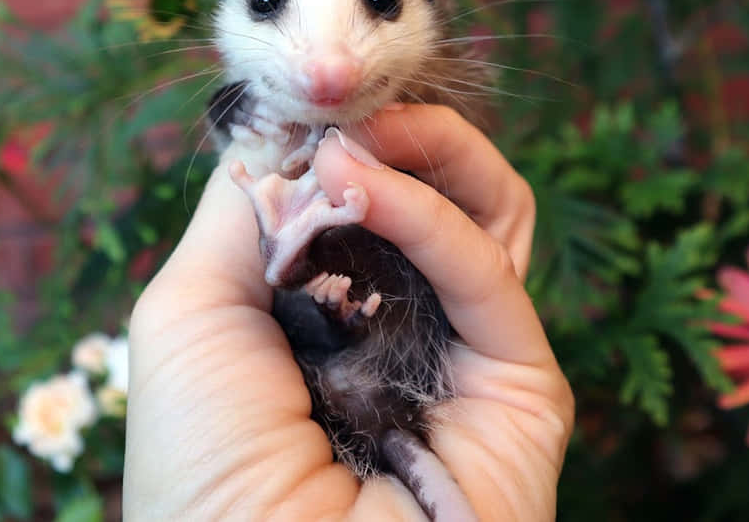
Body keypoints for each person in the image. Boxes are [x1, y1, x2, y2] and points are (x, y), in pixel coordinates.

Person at [124, 104, 574, 519]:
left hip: (377, 374)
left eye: (380, 7)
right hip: (358, 384)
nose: (327, 74)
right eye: (265, 7)